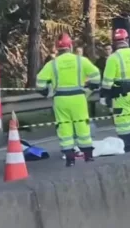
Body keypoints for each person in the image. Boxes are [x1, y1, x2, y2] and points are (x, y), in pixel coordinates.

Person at [36, 33, 100, 167]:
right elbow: (95, 75)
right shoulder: (80, 60)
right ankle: (88, 155)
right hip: (78, 98)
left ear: (57, 49)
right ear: (70, 46)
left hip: (60, 99)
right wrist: (91, 87)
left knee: (64, 126)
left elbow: (40, 82)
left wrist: (46, 92)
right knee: (82, 124)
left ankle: (70, 158)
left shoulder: (52, 64)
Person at [100, 29, 130, 153]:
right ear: (127, 40)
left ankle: (128, 147)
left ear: (114, 42)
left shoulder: (113, 58)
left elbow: (107, 81)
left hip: (120, 95)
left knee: (123, 123)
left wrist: (104, 96)